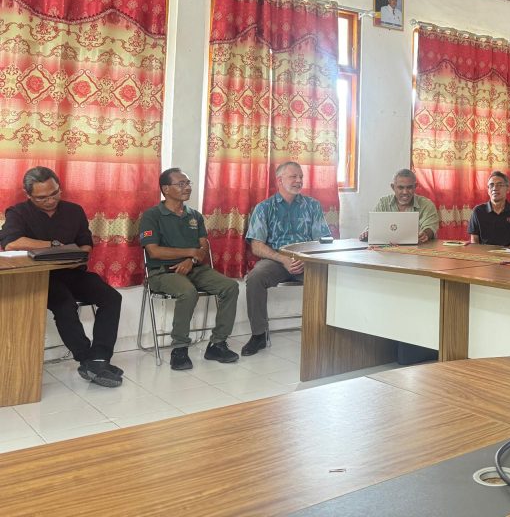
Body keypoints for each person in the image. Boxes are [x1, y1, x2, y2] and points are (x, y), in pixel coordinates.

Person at [0, 167, 124, 388]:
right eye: (42, 198)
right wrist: (55, 246)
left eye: (54, 193)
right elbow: (11, 243)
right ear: (28, 195)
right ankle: (86, 359)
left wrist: (80, 255)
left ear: (59, 187)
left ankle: (99, 358)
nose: (50, 200)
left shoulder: (73, 210)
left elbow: (85, 242)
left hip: (72, 271)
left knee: (112, 298)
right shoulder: (18, 213)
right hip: (41, 276)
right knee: (64, 304)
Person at [139, 168, 239, 370]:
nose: (187, 187)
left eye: (188, 183)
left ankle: (217, 344)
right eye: (181, 184)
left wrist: (191, 260)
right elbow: (154, 251)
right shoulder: (152, 215)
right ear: (166, 189)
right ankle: (179, 348)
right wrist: (191, 252)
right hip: (163, 272)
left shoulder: (195, 216)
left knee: (230, 286)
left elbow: (204, 247)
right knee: (188, 291)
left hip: (195, 268)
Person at [241, 162, 330, 357]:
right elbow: (256, 246)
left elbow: (323, 240)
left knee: (331, 276)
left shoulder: (312, 206)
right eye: (293, 177)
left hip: (307, 259)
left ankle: (324, 330)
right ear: (280, 180)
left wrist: (307, 258)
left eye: (301, 177)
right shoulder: (264, 208)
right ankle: (258, 335)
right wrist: (283, 259)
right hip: (276, 259)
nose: (299, 181)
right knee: (255, 277)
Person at [359, 169, 439, 243]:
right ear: (393, 187)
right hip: (387, 250)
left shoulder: (426, 205)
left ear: (415, 186)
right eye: (401, 188)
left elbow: (430, 227)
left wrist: (425, 234)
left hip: (419, 249)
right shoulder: (383, 203)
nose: (405, 192)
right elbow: (374, 225)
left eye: (409, 187)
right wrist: (368, 233)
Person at [468, 171, 510, 247]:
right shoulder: (478, 211)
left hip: (508, 253)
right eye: (491, 185)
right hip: (484, 253)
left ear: (508, 189)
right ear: (488, 190)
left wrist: (504, 254)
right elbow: (474, 241)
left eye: (499, 185)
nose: (495, 188)